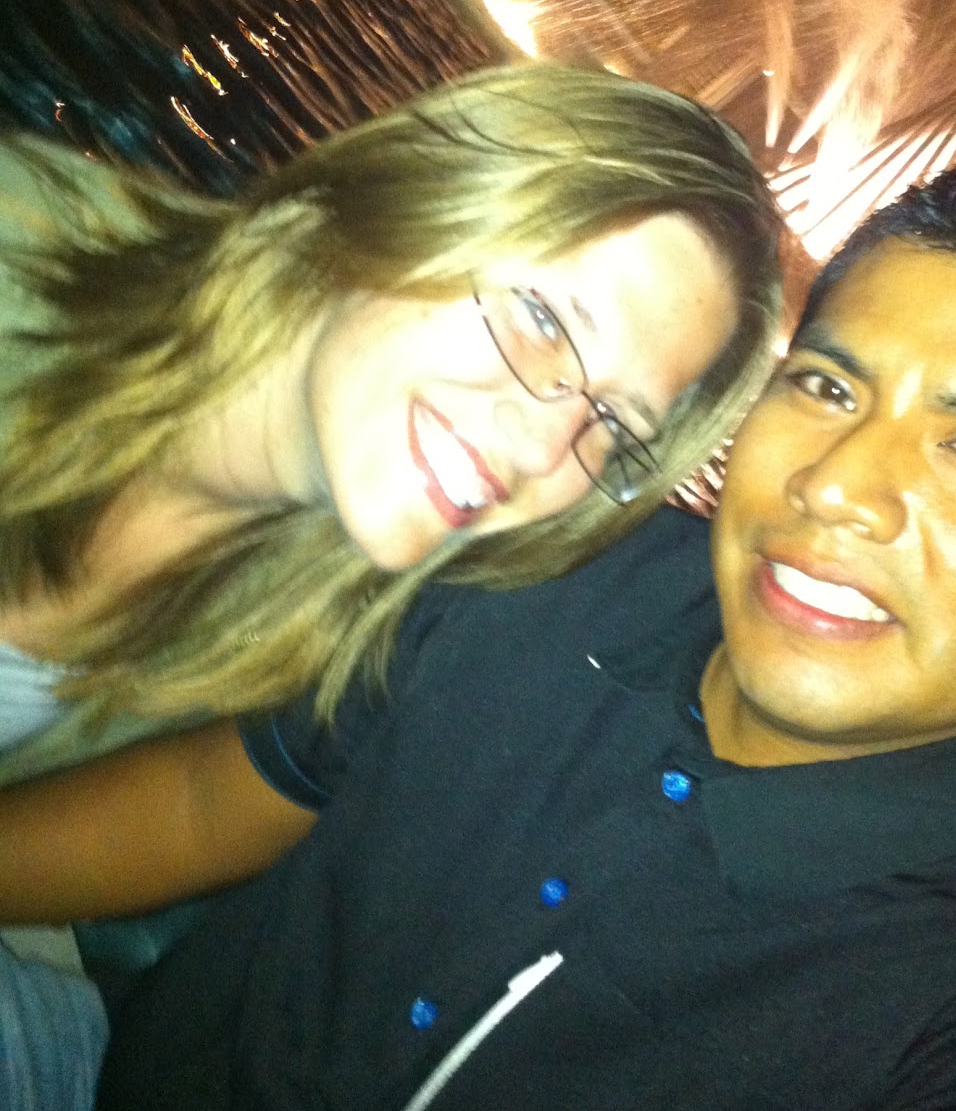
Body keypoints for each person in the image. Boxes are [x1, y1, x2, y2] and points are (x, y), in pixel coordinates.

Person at [3, 153, 956, 1111]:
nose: (833, 484)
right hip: (71, 1098)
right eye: (826, 386)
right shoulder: (562, 566)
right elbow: (214, 797)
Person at [0, 62, 783, 784]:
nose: (545, 449)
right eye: (542, 318)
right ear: (408, 202)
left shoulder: (300, 655)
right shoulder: (17, 252)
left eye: (611, 419)